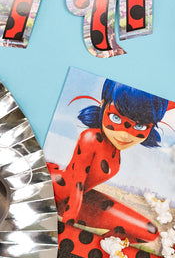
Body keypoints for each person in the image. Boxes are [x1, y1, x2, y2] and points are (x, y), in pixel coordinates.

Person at [47, 79, 168, 243]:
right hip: (55, 191)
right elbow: (77, 184)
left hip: (82, 199)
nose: (124, 134)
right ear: (103, 104)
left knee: (149, 232)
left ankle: (104, 248)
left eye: (139, 126)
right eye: (116, 118)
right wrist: (68, 227)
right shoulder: (90, 138)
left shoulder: (115, 149)